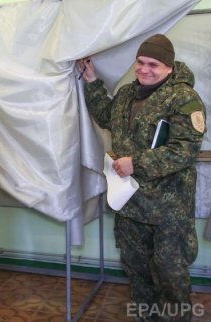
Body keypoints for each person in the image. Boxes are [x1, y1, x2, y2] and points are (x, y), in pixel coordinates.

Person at [78, 34, 206, 321]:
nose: (145, 69)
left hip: (168, 211)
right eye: (141, 62)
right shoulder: (126, 94)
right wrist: (92, 82)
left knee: (170, 276)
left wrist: (137, 163)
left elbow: (185, 150)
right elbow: (107, 116)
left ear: (169, 68)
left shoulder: (184, 98)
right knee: (137, 273)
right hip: (131, 203)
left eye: (154, 65)